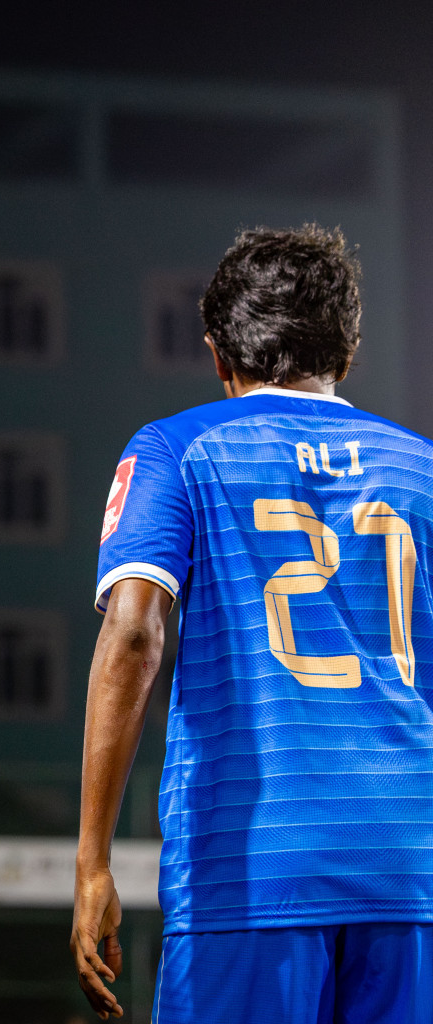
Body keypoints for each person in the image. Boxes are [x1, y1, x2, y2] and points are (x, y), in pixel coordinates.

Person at [71, 225, 433, 1021]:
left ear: (218, 355)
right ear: (346, 348)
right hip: (412, 865)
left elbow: (133, 631)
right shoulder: (422, 468)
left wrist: (94, 858)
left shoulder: (176, 449)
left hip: (252, 863)